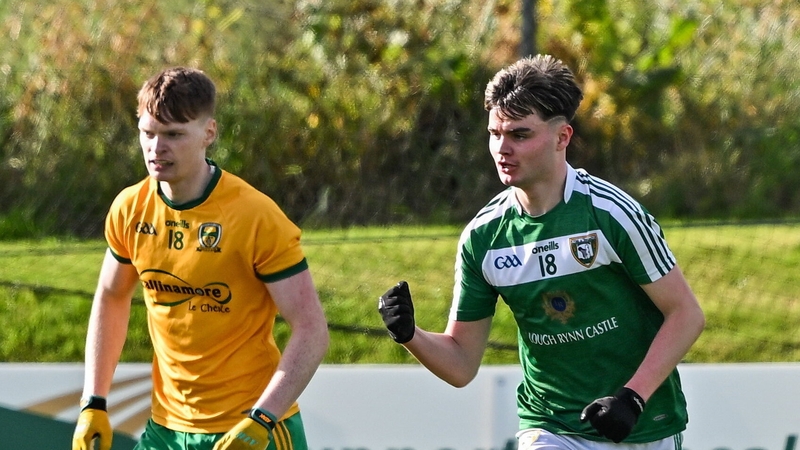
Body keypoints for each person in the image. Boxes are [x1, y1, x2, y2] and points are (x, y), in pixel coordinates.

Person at [378, 54, 705, 449]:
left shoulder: (611, 214)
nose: (502, 148)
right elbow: (462, 361)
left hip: (643, 424)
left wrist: (632, 397)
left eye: (519, 134)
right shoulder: (484, 238)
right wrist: (411, 335)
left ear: (562, 137)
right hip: (550, 427)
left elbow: (685, 314)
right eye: (494, 133)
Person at [72, 67, 329, 450]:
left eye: (174, 135)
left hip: (252, 428)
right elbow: (111, 295)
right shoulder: (129, 209)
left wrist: (261, 418)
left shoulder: (255, 216)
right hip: (166, 430)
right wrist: (93, 401)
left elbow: (312, 331)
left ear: (209, 133)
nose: (157, 148)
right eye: (148, 133)